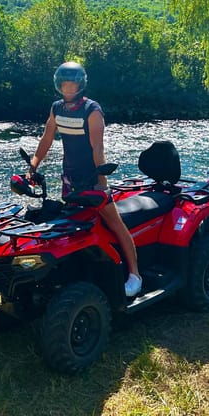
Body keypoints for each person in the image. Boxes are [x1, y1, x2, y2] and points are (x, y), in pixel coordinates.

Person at [27, 61, 143, 297]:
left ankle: (135, 274)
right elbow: (47, 138)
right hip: (69, 178)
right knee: (73, 225)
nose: (69, 87)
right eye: (65, 83)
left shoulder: (92, 110)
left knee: (114, 222)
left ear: (81, 84)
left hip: (91, 177)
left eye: (73, 83)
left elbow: (97, 149)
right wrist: (33, 165)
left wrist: (102, 183)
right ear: (59, 84)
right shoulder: (57, 108)